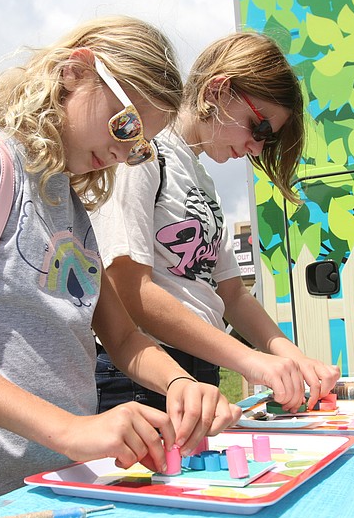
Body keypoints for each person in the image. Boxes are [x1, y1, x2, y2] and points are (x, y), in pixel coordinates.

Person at [0, 16, 241, 518]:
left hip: (63, 487)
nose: (124, 153)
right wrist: (70, 429)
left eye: (140, 146)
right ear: (75, 72)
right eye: (125, 125)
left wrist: (177, 383)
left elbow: (121, 337)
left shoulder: (70, 203)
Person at [90, 32, 340, 416]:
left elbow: (233, 295)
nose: (257, 149)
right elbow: (127, 285)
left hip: (197, 368)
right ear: (218, 91)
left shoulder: (203, 181)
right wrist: (250, 360)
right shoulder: (142, 154)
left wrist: (292, 357)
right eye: (260, 130)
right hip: (142, 374)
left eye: (267, 143)